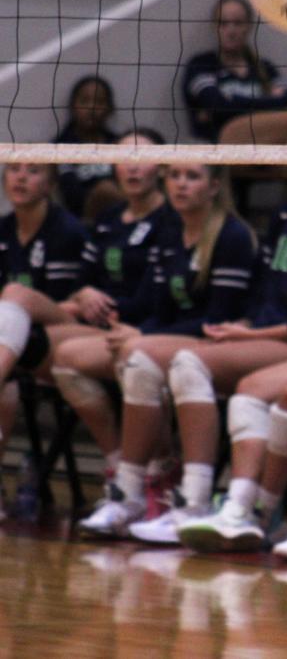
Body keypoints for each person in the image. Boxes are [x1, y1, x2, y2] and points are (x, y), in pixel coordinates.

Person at [122, 110, 287, 545]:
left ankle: (208, 503)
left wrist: (251, 335)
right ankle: (199, 503)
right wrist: (245, 325)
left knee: (191, 363)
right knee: (170, 361)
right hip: (269, 336)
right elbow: (263, 294)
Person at [69, 162, 257, 537]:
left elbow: (218, 318)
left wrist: (143, 336)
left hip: (226, 340)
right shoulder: (171, 233)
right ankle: (130, 494)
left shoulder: (231, 236)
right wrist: (136, 331)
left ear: (215, 186)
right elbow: (158, 308)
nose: (180, 184)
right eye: (174, 176)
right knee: (134, 356)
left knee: (142, 354)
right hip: (178, 336)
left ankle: (193, 501)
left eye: (192, 176)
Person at [45, 129, 173, 491]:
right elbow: (81, 281)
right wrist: (84, 292)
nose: (132, 169)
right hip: (103, 328)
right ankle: (120, 464)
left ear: (161, 167)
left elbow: (151, 298)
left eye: (142, 159)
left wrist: (95, 305)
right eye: (123, 159)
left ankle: (157, 469)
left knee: (68, 351)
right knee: (52, 349)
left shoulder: (171, 221)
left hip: (139, 328)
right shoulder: (107, 220)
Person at [0, 163, 88, 514]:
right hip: (14, 343)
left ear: (51, 183)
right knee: (6, 385)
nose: (21, 178)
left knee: (16, 297)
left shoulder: (65, 231)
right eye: (14, 170)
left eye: (33, 171)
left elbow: (72, 300)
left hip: (64, 329)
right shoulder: (4, 229)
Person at [182, 0, 287, 142]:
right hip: (215, 153)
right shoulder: (201, 65)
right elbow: (217, 106)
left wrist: (231, 101)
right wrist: (268, 102)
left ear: (249, 26)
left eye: (238, 23)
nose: (231, 30)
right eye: (223, 23)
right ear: (214, 26)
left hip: (263, 150)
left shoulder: (265, 68)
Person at [51, 75, 123, 221]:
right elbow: (72, 198)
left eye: (99, 102)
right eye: (84, 101)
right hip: (81, 222)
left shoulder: (119, 144)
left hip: (123, 217)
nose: (91, 108)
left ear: (109, 109)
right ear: (73, 106)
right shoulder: (60, 148)